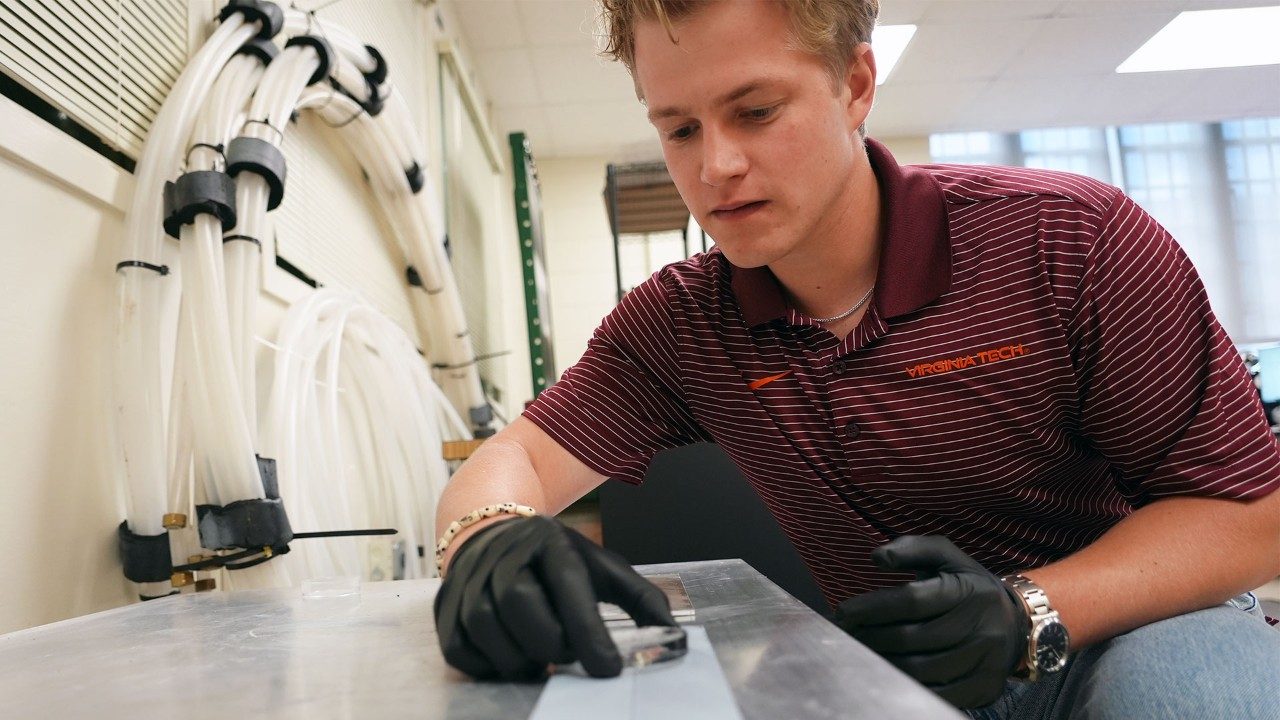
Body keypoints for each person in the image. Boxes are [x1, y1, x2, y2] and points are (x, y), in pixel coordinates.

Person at [432, 0, 1280, 715]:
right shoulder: (683, 323)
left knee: (1198, 687)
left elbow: (1254, 517)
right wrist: (484, 539)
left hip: (1124, 631)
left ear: (856, 86)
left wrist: (1028, 611)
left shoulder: (1069, 240)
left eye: (756, 111)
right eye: (680, 128)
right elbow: (518, 458)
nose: (716, 166)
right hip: (913, 670)